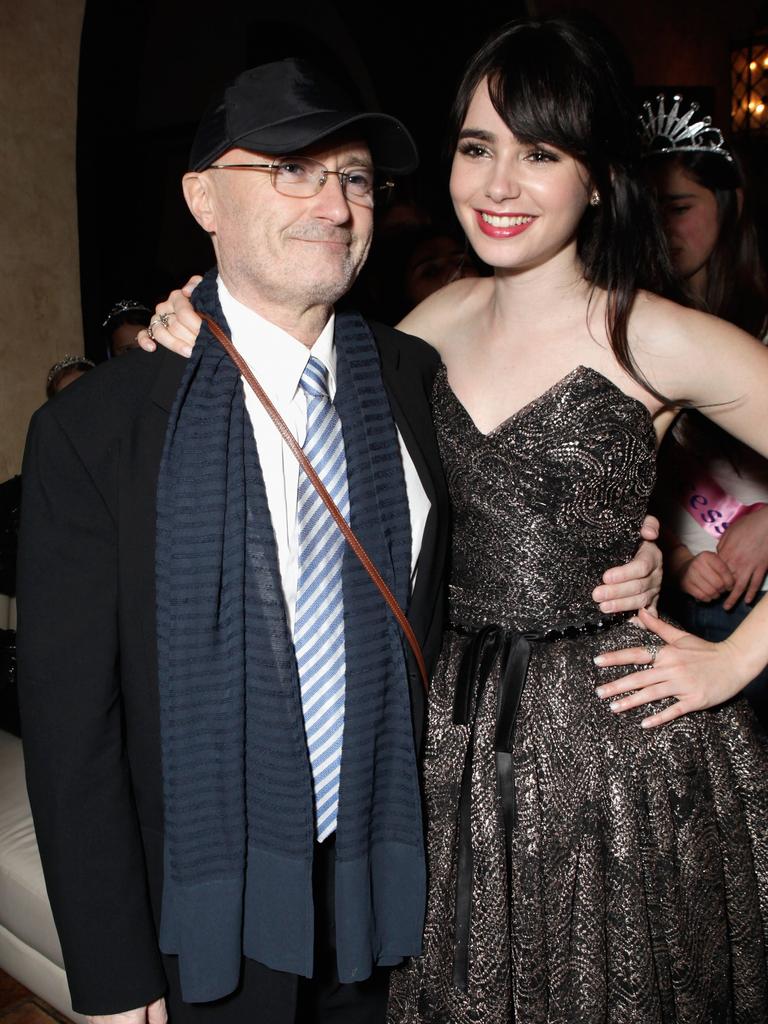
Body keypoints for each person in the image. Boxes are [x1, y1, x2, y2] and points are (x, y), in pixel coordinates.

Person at [16, 56, 662, 1024]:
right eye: (290, 168)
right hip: (201, 912)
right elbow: (72, 734)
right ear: (203, 197)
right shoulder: (98, 430)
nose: (332, 201)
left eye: (354, 176)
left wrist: (633, 558)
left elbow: (497, 548)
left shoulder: (413, 376)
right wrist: (114, 974)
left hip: (388, 883)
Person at [150, 20, 768, 1023]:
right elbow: (296, 406)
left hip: (614, 759)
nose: (498, 184)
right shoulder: (419, 332)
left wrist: (736, 657)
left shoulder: (656, 334)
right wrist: (201, 320)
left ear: (602, 178)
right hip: (446, 734)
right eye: (478, 147)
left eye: (542, 152)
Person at [641, 97, 768, 725]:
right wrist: (679, 559)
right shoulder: (627, 328)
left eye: (681, 206)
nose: (663, 226)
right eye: (650, 207)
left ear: (731, 204)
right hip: (682, 604)